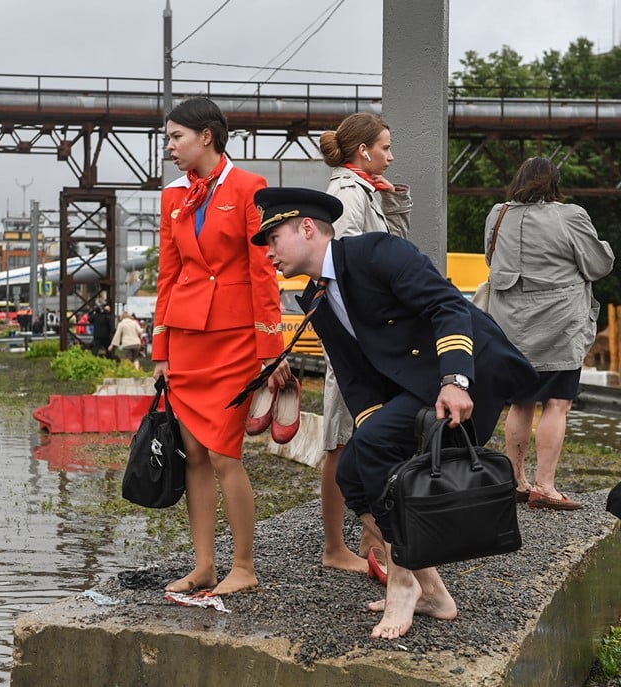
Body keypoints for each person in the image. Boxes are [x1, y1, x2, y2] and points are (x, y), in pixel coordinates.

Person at [253, 186, 537, 639]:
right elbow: (354, 377)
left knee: (374, 448)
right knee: (353, 474)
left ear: (306, 228)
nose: (268, 253)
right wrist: (370, 433)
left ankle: (402, 582)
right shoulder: (317, 298)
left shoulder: (375, 252)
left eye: (272, 239)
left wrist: (455, 380)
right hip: (419, 382)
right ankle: (433, 591)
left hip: (467, 369)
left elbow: (445, 305)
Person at [152, 97, 290, 596]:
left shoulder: (250, 188)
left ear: (206, 136)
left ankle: (245, 567)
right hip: (187, 339)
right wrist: (161, 352)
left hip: (234, 341)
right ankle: (204, 566)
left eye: (175, 137)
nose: (168, 147)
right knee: (192, 452)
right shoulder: (172, 197)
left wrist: (271, 349)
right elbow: (168, 275)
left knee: (224, 453)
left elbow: (263, 273)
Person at [485, 157, 615, 510]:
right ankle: (545, 485)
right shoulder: (570, 215)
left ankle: (516, 481)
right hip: (559, 325)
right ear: (553, 183)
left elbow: (490, 260)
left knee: (520, 401)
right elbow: (598, 265)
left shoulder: (498, 214)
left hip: (511, 326)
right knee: (557, 402)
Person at [318, 112, 413, 575]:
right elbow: (350, 262)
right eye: (386, 148)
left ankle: (367, 540)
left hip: (368, 332)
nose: (391, 157)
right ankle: (337, 548)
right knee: (341, 437)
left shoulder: (364, 190)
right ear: (364, 152)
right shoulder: (346, 193)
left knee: (364, 435)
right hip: (355, 334)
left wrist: (392, 201)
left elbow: (393, 248)